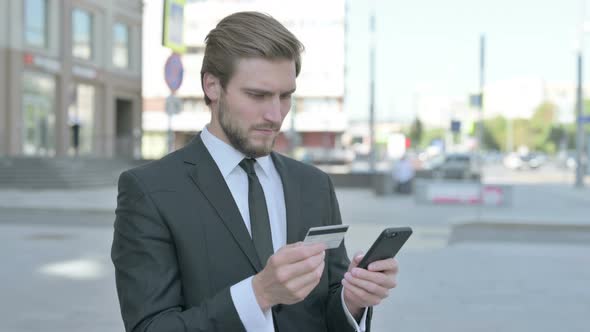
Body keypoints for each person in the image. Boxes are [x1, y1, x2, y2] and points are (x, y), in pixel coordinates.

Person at [111, 11, 399, 332]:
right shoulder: (150, 190)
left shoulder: (314, 185)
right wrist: (258, 294)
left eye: (285, 96)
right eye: (258, 95)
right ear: (212, 86)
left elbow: (325, 306)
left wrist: (353, 300)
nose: (275, 115)